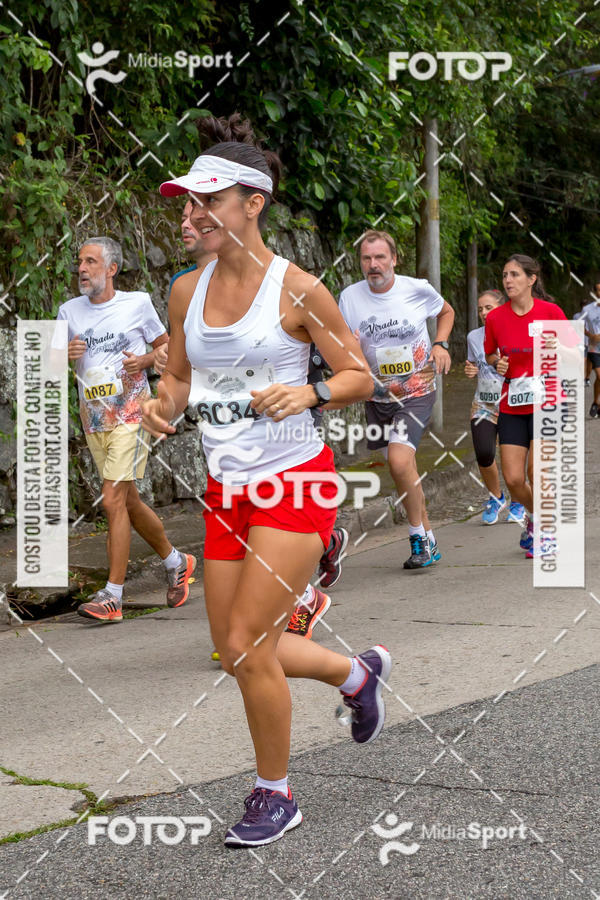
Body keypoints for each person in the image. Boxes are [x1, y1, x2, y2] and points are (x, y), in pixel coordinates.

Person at [143, 114, 392, 847]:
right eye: (188, 202)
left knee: (249, 643)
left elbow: (357, 374)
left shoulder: (299, 289)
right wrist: (159, 409)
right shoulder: (187, 292)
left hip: (294, 480)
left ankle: (275, 793)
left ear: (253, 204)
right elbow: (179, 379)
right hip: (228, 488)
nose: (192, 216)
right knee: (236, 647)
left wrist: (310, 393)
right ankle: (355, 676)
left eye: (207, 201)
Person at [55, 237, 196, 622]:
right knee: (128, 500)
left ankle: (113, 596)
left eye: (90, 262)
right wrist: (60, 355)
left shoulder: (136, 303)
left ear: (112, 269)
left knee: (113, 498)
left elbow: (169, 348)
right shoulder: (68, 311)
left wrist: (146, 360)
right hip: (94, 419)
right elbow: (48, 365)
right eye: (79, 262)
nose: (81, 269)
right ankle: (176, 561)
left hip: (133, 414)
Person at [338, 230, 454, 569]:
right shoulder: (349, 297)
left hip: (417, 392)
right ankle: (430, 539)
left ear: (394, 259)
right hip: (376, 397)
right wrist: (350, 349)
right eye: (366, 259)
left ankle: (417, 537)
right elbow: (342, 345)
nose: (373, 265)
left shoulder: (416, 289)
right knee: (407, 471)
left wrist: (440, 344)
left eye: (380, 258)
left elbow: (445, 312)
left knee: (400, 463)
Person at [483, 253, 570, 557]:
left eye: (515, 274)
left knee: (539, 472)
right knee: (514, 478)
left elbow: (572, 352)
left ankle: (546, 530)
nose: (508, 280)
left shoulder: (552, 312)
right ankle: (536, 517)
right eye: (505, 275)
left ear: (532, 279)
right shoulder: (495, 317)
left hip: (548, 402)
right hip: (513, 404)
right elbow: (490, 354)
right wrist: (499, 363)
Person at [465, 289, 525, 525]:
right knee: (484, 452)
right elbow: (474, 364)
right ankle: (496, 497)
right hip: (484, 403)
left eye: (488, 307)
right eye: (480, 309)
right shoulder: (473, 337)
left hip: (514, 402)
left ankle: (519, 500)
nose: (483, 313)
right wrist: (470, 370)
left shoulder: (517, 330)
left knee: (514, 459)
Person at [580, 285, 600, 417]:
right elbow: (579, 325)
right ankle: (595, 403)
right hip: (595, 348)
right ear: (594, 292)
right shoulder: (587, 309)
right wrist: (591, 336)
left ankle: (596, 403)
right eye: (598, 289)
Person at [573, 297, 592, 389]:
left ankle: (587, 378)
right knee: (582, 361)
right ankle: (582, 378)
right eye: (583, 305)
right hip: (580, 342)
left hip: (591, 342)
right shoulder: (576, 316)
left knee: (589, 362)